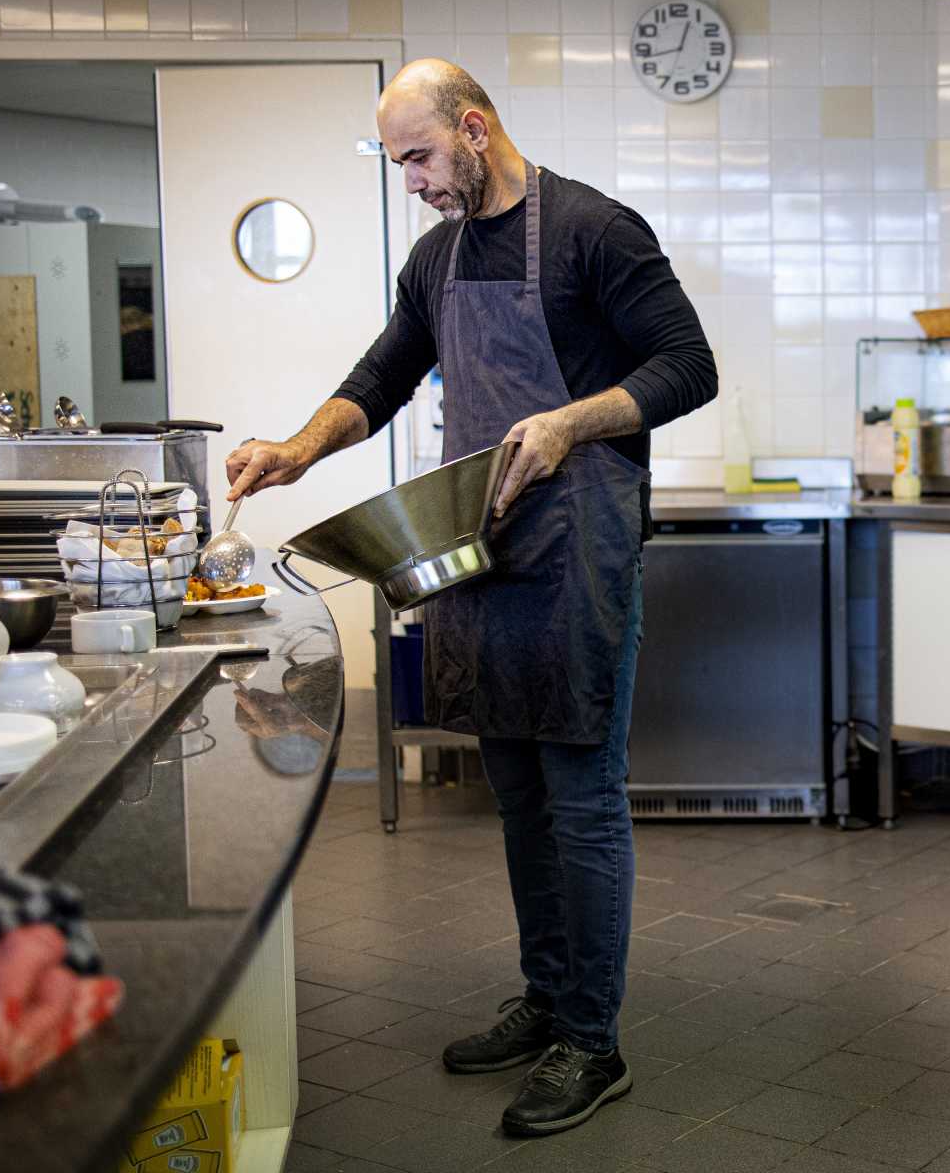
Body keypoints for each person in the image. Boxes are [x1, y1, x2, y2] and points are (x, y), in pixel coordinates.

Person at [224, 59, 717, 1137]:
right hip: (479, 546)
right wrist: (299, 449)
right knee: (517, 789)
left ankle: (594, 1036)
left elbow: (691, 366)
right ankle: (546, 999)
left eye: (418, 156)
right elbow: (384, 373)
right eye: (398, 161)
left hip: (579, 541)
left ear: (476, 128)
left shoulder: (595, 229)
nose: (410, 180)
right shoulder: (437, 257)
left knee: (581, 794)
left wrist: (572, 420)